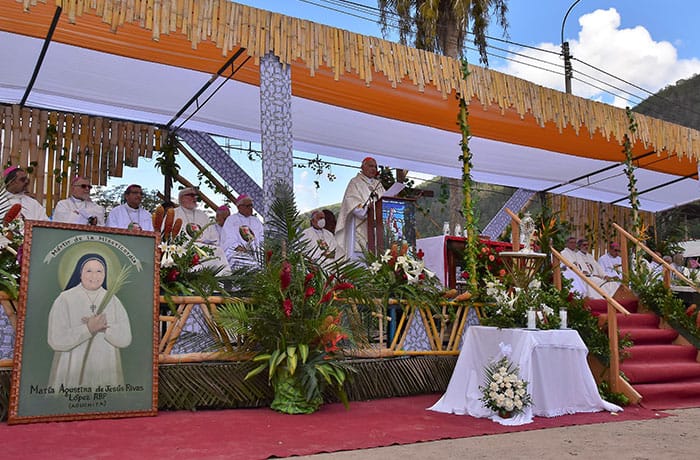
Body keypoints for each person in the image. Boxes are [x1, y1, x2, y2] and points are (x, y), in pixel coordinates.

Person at [47, 253, 132, 388]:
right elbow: (55, 339)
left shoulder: (113, 301)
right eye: (89, 271)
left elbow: (126, 338)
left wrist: (105, 328)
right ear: (79, 273)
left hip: (106, 369)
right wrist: (87, 329)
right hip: (71, 370)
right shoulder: (65, 299)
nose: (94, 276)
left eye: (99, 271)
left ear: (105, 274)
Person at [335, 157, 385, 260]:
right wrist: (367, 208)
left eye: (375, 167)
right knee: (361, 262)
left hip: (377, 228)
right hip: (360, 228)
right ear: (362, 167)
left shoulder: (378, 185)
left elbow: (384, 202)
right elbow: (352, 203)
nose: (373, 169)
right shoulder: (355, 182)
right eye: (371, 166)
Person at [172, 187, 229, 273]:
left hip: (204, 247)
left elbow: (214, 237)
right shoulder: (173, 213)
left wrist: (207, 242)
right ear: (182, 198)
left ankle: (224, 281)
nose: (195, 198)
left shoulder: (203, 215)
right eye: (191, 195)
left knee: (219, 251)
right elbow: (167, 234)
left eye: (195, 196)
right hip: (183, 248)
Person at [221, 194, 264, 269]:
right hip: (238, 252)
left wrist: (259, 249)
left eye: (251, 205)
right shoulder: (231, 220)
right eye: (248, 206)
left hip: (256, 252)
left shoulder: (256, 221)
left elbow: (262, 237)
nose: (251, 208)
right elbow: (228, 239)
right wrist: (237, 247)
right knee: (249, 263)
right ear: (239, 207)